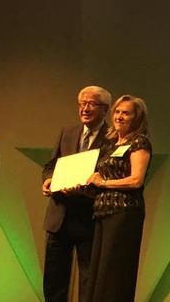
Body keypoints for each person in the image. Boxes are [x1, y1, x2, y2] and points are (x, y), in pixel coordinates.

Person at [42, 85, 112, 302]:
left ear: (105, 109)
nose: (85, 108)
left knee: (88, 280)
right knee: (54, 280)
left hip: (89, 217)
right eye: (82, 103)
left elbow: (110, 174)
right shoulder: (67, 132)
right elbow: (51, 165)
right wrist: (48, 180)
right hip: (59, 215)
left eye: (91, 103)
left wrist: (88, 186)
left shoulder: (112, 138)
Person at [82, 95, 152, 302]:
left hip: (123, 213)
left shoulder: (139, 142)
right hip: (102, 212)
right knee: (100, 271)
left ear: (137, 118)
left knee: (114, 272)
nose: (120, 116)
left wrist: (103, 183)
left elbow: (136, 180)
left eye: (126, 113)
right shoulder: (110, 144)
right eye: (117, 112)